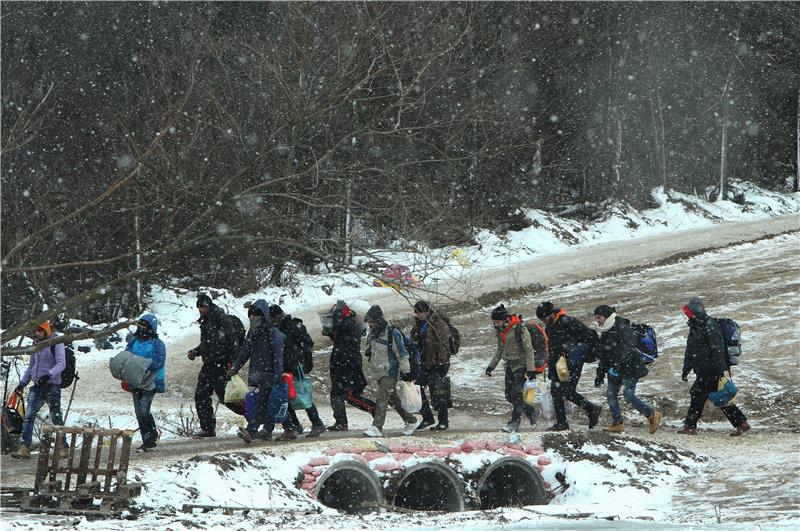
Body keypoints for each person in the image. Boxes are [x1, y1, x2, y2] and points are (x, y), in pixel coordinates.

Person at [678, 297, 750, 436]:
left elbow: (717, 350)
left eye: (688, 311)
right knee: (719, 398)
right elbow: (690, 350)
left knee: (699, 395)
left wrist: (720, 371)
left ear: (694, 310)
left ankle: (690, 426)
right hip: (705, 370)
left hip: (711, 370)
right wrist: (686, 369)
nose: (687, 314)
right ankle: (742, 423)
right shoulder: (696, 326)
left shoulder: (709, 325)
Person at [593, 305, 662, 434]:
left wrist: (618, 366)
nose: (597, 321)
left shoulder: (623, 328)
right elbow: (604, 355)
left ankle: (652, 414)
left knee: (628, 395)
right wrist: (600, 374)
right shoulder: (606, 331)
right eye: (596, 318)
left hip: (630, 368)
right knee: (611, 395)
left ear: (606, 316)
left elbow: (630, 350)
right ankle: (618, 423)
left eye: (599, 317)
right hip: (615, 370)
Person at [536, 301, 602, 432]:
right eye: (542, 319)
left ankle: (591, 409)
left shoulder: (569, 322)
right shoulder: (549, 328)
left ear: (553, 313)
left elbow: (591, 337)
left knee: (568, 391)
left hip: (574, 362)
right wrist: (551, 368)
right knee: (555, 391)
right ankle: (562, 423)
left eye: (545, 318)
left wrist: (584, 353)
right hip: (559, 364)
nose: (544, 321)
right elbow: (553, 349)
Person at [228, 300, 285, 443]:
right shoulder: (252, 333)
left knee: (262, 403)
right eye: (251, 316)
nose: (253, 319)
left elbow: (278, 356)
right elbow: (245, 352)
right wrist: (235, 367)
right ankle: (290, 428)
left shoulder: (273, 334)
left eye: (256, 316)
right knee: (272, 404)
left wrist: (278, 375)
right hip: (259, 373)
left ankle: (252, 431)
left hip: (270, 374)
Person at [269, 305, 326, 439]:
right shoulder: (280, 327)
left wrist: (298, 357)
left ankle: (315, 423)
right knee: (287, 396)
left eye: (273, 318)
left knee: (300, 395)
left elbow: (307, 343)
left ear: (278, 316)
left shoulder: (292, 326)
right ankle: (295, 426)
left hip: (294, 366)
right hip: (285, 366)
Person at [11, 321, 67, 459]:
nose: (38, 333)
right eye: (36, 331)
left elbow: (61, 364)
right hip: (37, 386)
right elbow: (31, 367)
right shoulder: (36, 344)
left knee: (56, 416)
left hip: (52, 385)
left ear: (47, 330)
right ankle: (25, 447)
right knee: (29, 416)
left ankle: (63, 447)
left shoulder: (56, 342)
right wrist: (22, 384)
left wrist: (49, 375)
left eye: (41, 331)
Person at [363, 305, 420, 438]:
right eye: (369, 322)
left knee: (382, 397)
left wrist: (406, 371)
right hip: (379, 371)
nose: (370, 325)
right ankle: (410, 420)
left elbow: (402, 353)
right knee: (392, 399)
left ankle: (377, 427)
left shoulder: (392, 332)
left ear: (378, 320)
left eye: (371, 322)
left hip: (390, 371)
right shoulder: (372, 333)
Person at [188, 293, 238, 438]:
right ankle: (207, 428)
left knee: (227, 397)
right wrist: (195, 352)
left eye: (202, 307)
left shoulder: (221, 318)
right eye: (199, 308)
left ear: (208, 306)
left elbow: (233, 340)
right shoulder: (205, 321)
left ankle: (253, 420)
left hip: (221, 364)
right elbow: (206, 344)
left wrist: (234, 364)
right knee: (201, 395)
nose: (200, 310)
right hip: (209, 363)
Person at [485, 304, 538, 433]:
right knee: (509, 396)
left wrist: (531, 370)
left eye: (497, 322)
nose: (495, 325)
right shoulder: (500, 331)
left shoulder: (520, 329)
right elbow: (499, 350)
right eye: (494, 322)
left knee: (516, 394)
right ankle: (532, 411)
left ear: (504, 319)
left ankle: (515, 423)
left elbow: (529, 350)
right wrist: (491, 366)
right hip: (509, 365)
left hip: (522, 365)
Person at [325, 301, 373, 432]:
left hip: (346, 365)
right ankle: (341, 422)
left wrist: (334, 319)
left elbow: (342, 336)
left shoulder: (348, 322)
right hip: (345, 364)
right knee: (344, 395)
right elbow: (340, 339)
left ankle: (376, 411)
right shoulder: (350, 322)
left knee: (345, 395)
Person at [125, 314, 167, 452]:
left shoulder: (157, 344)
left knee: (144, 409)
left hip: (151, 381)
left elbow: (158, 362)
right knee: (139, 411)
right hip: (136, 380)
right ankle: (147, 438)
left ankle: (151, 435)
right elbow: (126, 356)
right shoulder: (133, 342)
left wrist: (141, 366)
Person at [411, 300, 453, 431]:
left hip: (437, 363)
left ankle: (443, 421)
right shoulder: (419, 324)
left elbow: (443, 344)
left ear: (426, 312)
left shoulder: (438, 323)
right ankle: (428, 417)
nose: (417, 316)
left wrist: (439, 362)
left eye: (419, 313)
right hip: (424, 362)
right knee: (418, 389)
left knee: (438, 392)